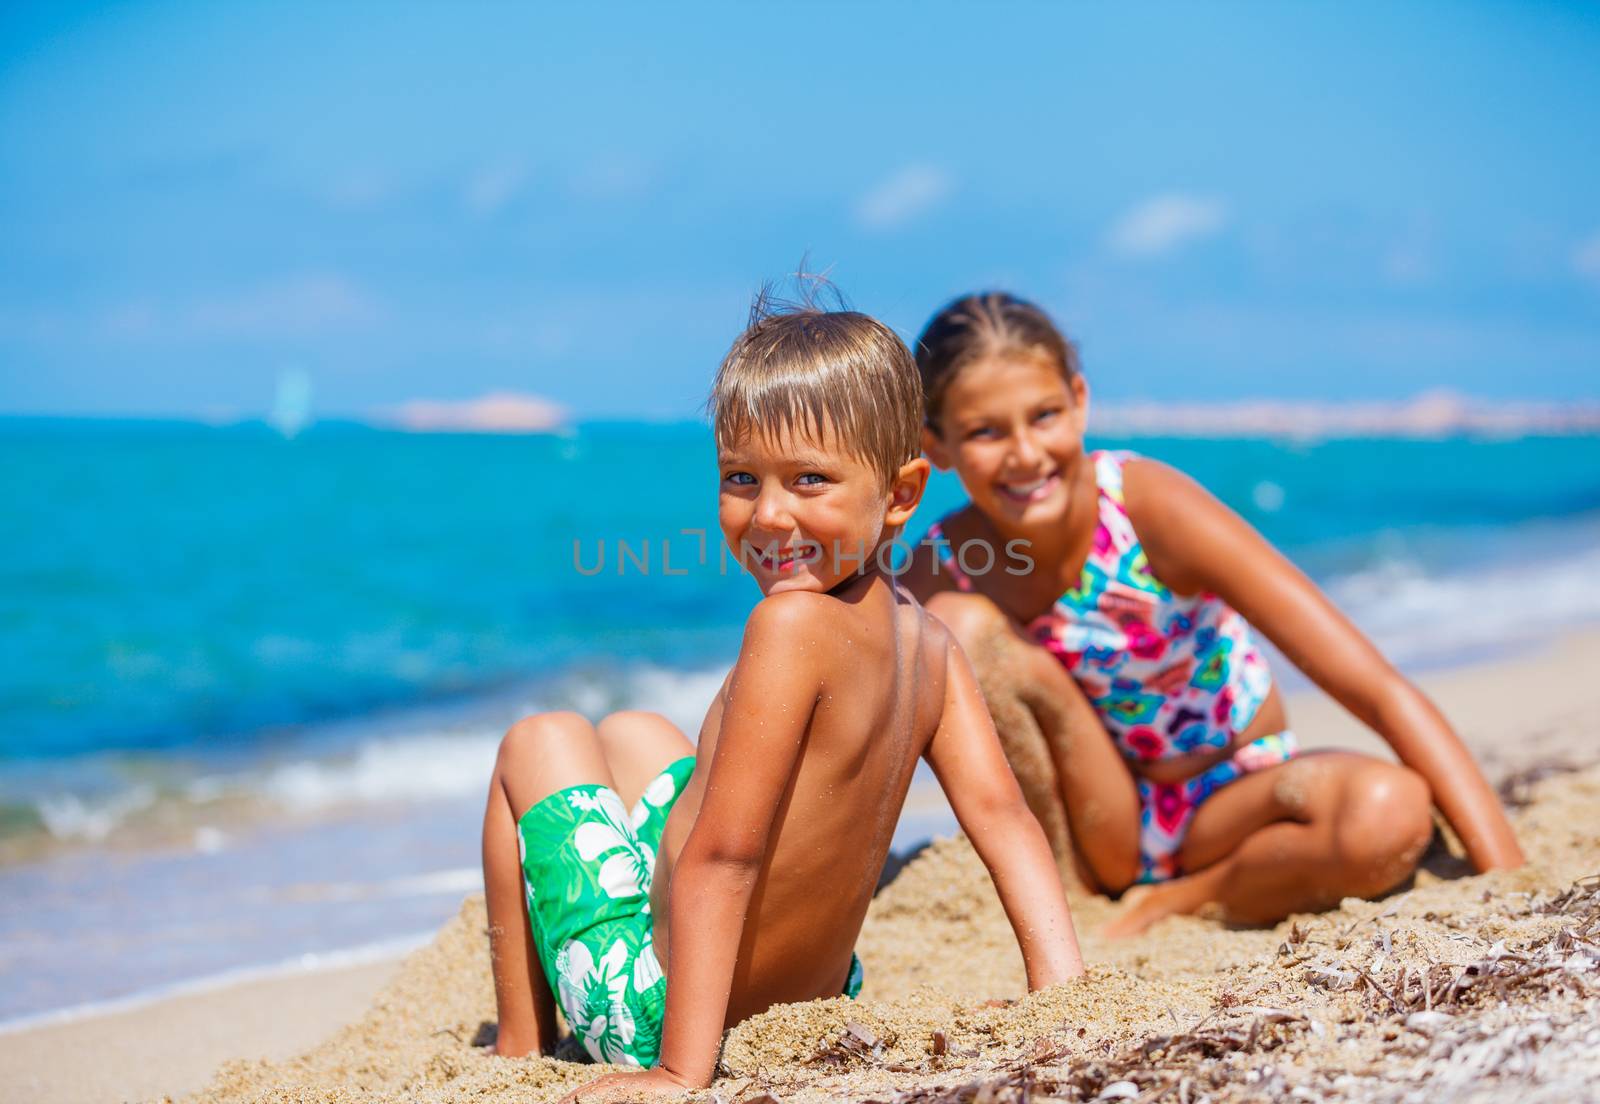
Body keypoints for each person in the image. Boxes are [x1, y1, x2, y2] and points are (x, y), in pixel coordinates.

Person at [480, 296, 1086, 1100]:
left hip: (663, 1010)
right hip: (818, 999)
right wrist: (1064, 993)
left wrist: (681, 1072)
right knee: (633, 732)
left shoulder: (788, 625)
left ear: (901, 494)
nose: (768, 514)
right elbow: (1005, 821)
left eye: (809, 479)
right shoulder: (930, 642)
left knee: (539, 738)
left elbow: (725, 855)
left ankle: (523, 1043)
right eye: (740, 477)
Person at [901, 291, 1524, 938]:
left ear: (1080, 400)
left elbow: (1374, 687)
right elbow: (853, 711)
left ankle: (1183, 901)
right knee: (954, 627)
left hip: (1238, 800)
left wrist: (1507, 878)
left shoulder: (1149, 508)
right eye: (985, 432)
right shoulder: (948, 562)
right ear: (936, 445)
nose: (1025, 453)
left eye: (1045, 415)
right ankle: (1064, 896)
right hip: (1102, 828)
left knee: (1388, 815)